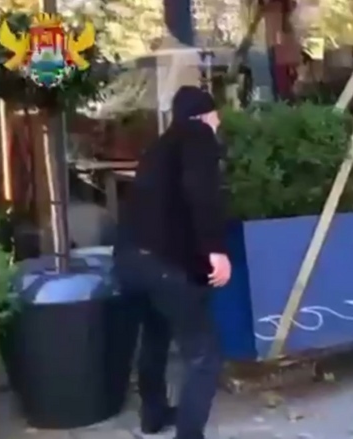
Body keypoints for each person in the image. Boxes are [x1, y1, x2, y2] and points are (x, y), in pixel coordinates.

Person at [113, 85, 232, 439]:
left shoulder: (157, 147)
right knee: (204, 356)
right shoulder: (197, 136)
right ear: (205, 115)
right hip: (167, 265)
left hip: (131, 260)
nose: (219, 121)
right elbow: (201, 190)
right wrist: (215, 249)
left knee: (155, 337)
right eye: (215, 115)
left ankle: (154, 415)